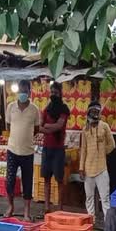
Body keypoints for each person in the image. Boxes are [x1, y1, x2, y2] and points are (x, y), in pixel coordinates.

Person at [4, 79, 40, 220]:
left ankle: (26, 212)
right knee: (10, 181)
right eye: (21, 91)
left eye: (25, 91)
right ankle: (10, 206)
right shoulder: (11, 107)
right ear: (17, 92)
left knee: (27, 182)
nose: (23, 93)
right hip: (12, 150)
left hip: (28, 152)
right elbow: (8, 126)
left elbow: (36, 129)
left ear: (30, 92)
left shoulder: (34, 109)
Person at [79, 101, 116, 218]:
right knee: (89, 198)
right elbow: (83, 149)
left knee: (105, 198)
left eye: (97, 111)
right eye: (93, 111)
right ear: (89, 112)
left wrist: (101, 153)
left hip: (102, 168)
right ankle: (91, 222)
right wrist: (81, 168)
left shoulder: (104, 126)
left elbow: (112, 145)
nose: (95, 113)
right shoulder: (85, 129)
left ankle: (108, 223)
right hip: (88, 169)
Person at [40, 81, 69, 212]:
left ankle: (60, 207)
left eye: (55, 93)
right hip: (46, 148)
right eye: (51, 92)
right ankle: (47, 207)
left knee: (59, 180)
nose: (53, 94)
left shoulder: (64, 109)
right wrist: (49, 128)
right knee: (46, 178)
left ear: (60, 93)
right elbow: (40, 126)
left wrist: (47, 127)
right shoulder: (46, 109)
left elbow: (60, 125)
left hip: (58, 149)